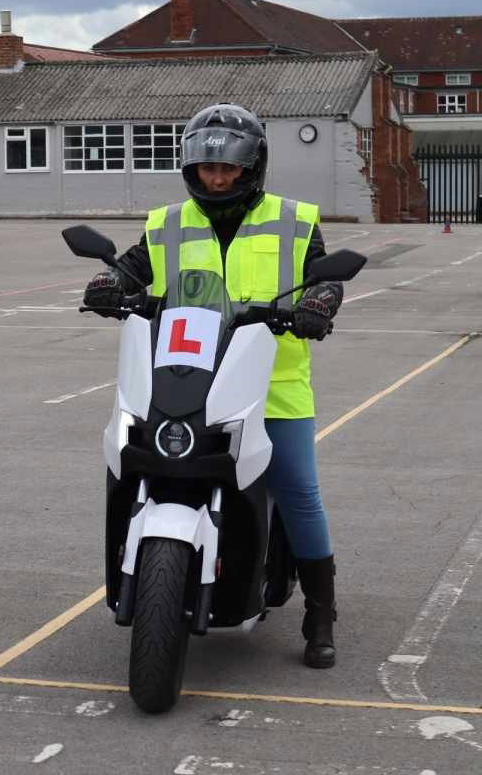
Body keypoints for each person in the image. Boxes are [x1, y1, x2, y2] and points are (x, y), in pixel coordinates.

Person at [84, 103, 343, 669]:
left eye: (228, 169)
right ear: (191, 168)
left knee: (298, 491)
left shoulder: (294, 220)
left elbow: (321, 276)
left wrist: (322, 301)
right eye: (208, 168)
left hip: (272, 384)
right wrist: (107, 281)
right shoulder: (167, 223)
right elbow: (130, 268)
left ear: (252, 168)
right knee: (135, 462)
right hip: (182, 377)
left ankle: (321, 612)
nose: (218, 179)